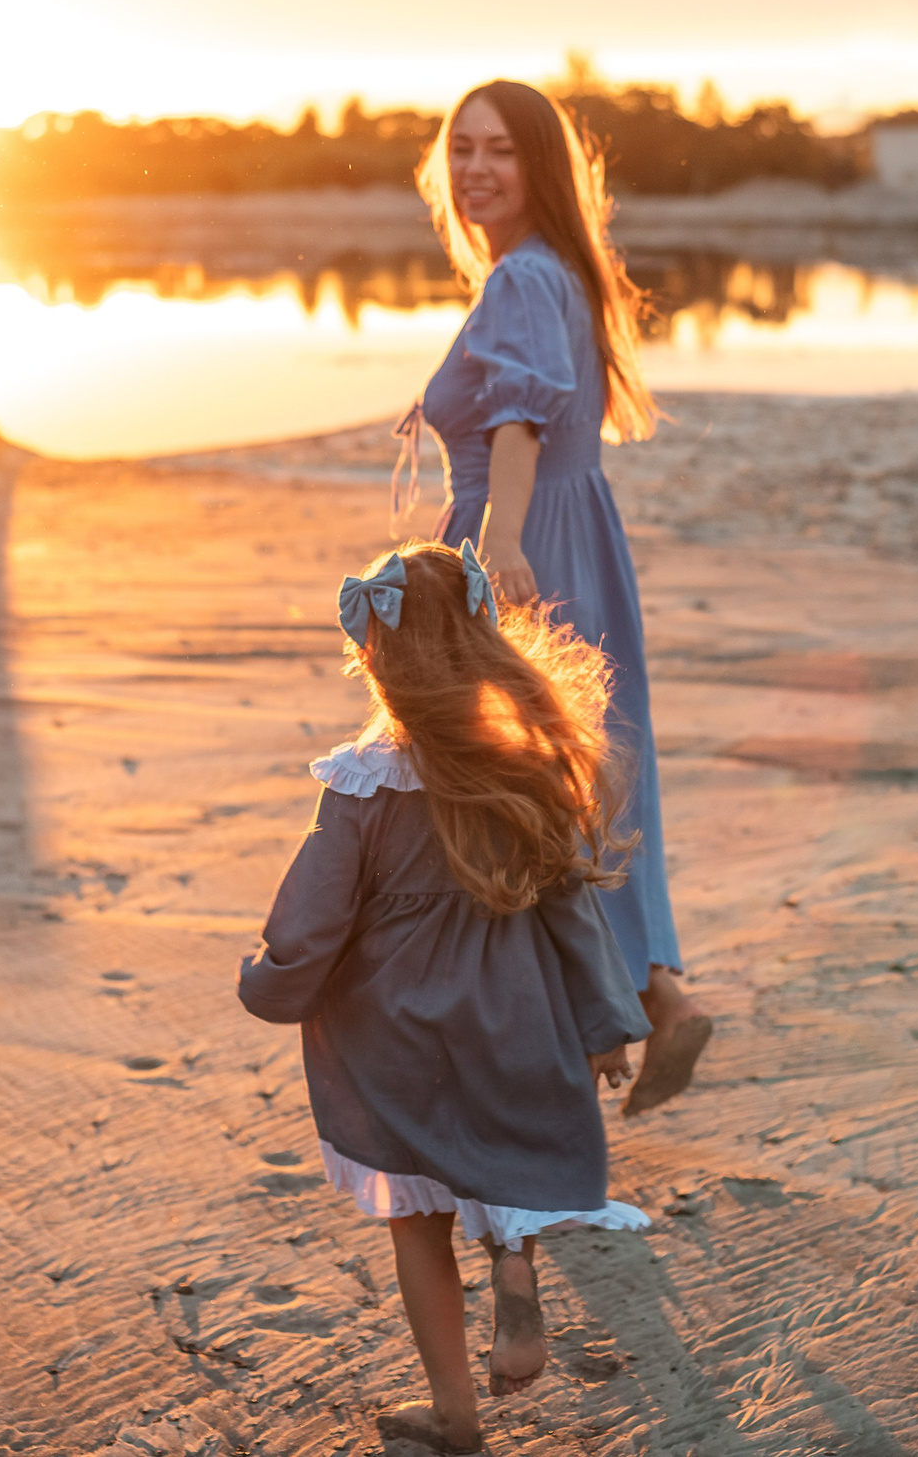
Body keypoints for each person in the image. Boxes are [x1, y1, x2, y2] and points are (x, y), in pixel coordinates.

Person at [239, 541, 653, 1455]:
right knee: (510, 1164)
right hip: (516, 1015)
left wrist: (270, 982)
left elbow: (314, 918)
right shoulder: (522, 764)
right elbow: (570, 907)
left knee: (418, 1219)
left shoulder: (363, 780)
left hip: (395, 1034)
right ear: (479, 645)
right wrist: (605, 1021)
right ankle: (514, 1266)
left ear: (377, 657)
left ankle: (456, 1413)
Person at [399, 78, 711, 1113]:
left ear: (540, 165)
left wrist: (497, 546)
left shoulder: (527, 280)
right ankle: (648, 995)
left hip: (530, 541)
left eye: (500, 150)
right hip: (570, 530)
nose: (476, 169)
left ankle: (586, 1023)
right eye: (462, 150)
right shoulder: (553, 272)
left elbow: (517, 425)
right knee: (579, 773)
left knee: (518, 789)